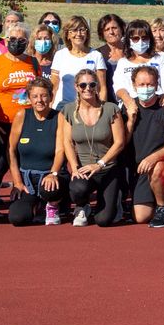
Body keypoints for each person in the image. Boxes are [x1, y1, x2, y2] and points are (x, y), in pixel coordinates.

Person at [61, 69, 128, 227]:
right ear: (76, 87)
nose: (88, 88)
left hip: (108, 169)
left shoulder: (111, 109)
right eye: (83, 85)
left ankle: (115, 200)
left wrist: (100, 164)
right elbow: (67, 142)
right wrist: (75, 168)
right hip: (84, 170)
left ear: (97, 86)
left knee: (103, 221)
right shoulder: (68, 110)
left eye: (92, 84)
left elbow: (119, 142)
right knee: (77, 189)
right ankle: (82, 206)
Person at [4, 78, 71, 226]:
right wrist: (17, 182)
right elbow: (11, 150)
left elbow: (60, 150)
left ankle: (52, 205)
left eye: (44, 95)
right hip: (28, 180)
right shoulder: (22, 115)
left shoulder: (59, 117)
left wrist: (53, 173)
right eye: (34, 96)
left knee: (50, 190)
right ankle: (37, 204)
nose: (39, 100)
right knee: (17, 218)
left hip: (51, 176)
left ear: (51, 97)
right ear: (29, 98)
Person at [126, 66, 164, 228]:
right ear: (134, 85)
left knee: (159, 167)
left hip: (158, 164)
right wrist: (130, 121)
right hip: (138, 168)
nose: (146, 88)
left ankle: (163, 208)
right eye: (141, 84)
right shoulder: (129, 107)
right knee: (141, 217)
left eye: (150, 84)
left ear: (157, 85)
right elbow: (122, 143)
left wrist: (153, 158)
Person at [50, 15, 107, 109]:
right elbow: (54, 86)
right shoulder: (60, 55)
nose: (79, 34)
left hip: (89, 108)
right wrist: (50, 108)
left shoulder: (96, 55)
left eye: (82, 30)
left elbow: (102, 88)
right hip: (63, 108)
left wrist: (101, 110)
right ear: (67, 35)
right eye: (74, 30)